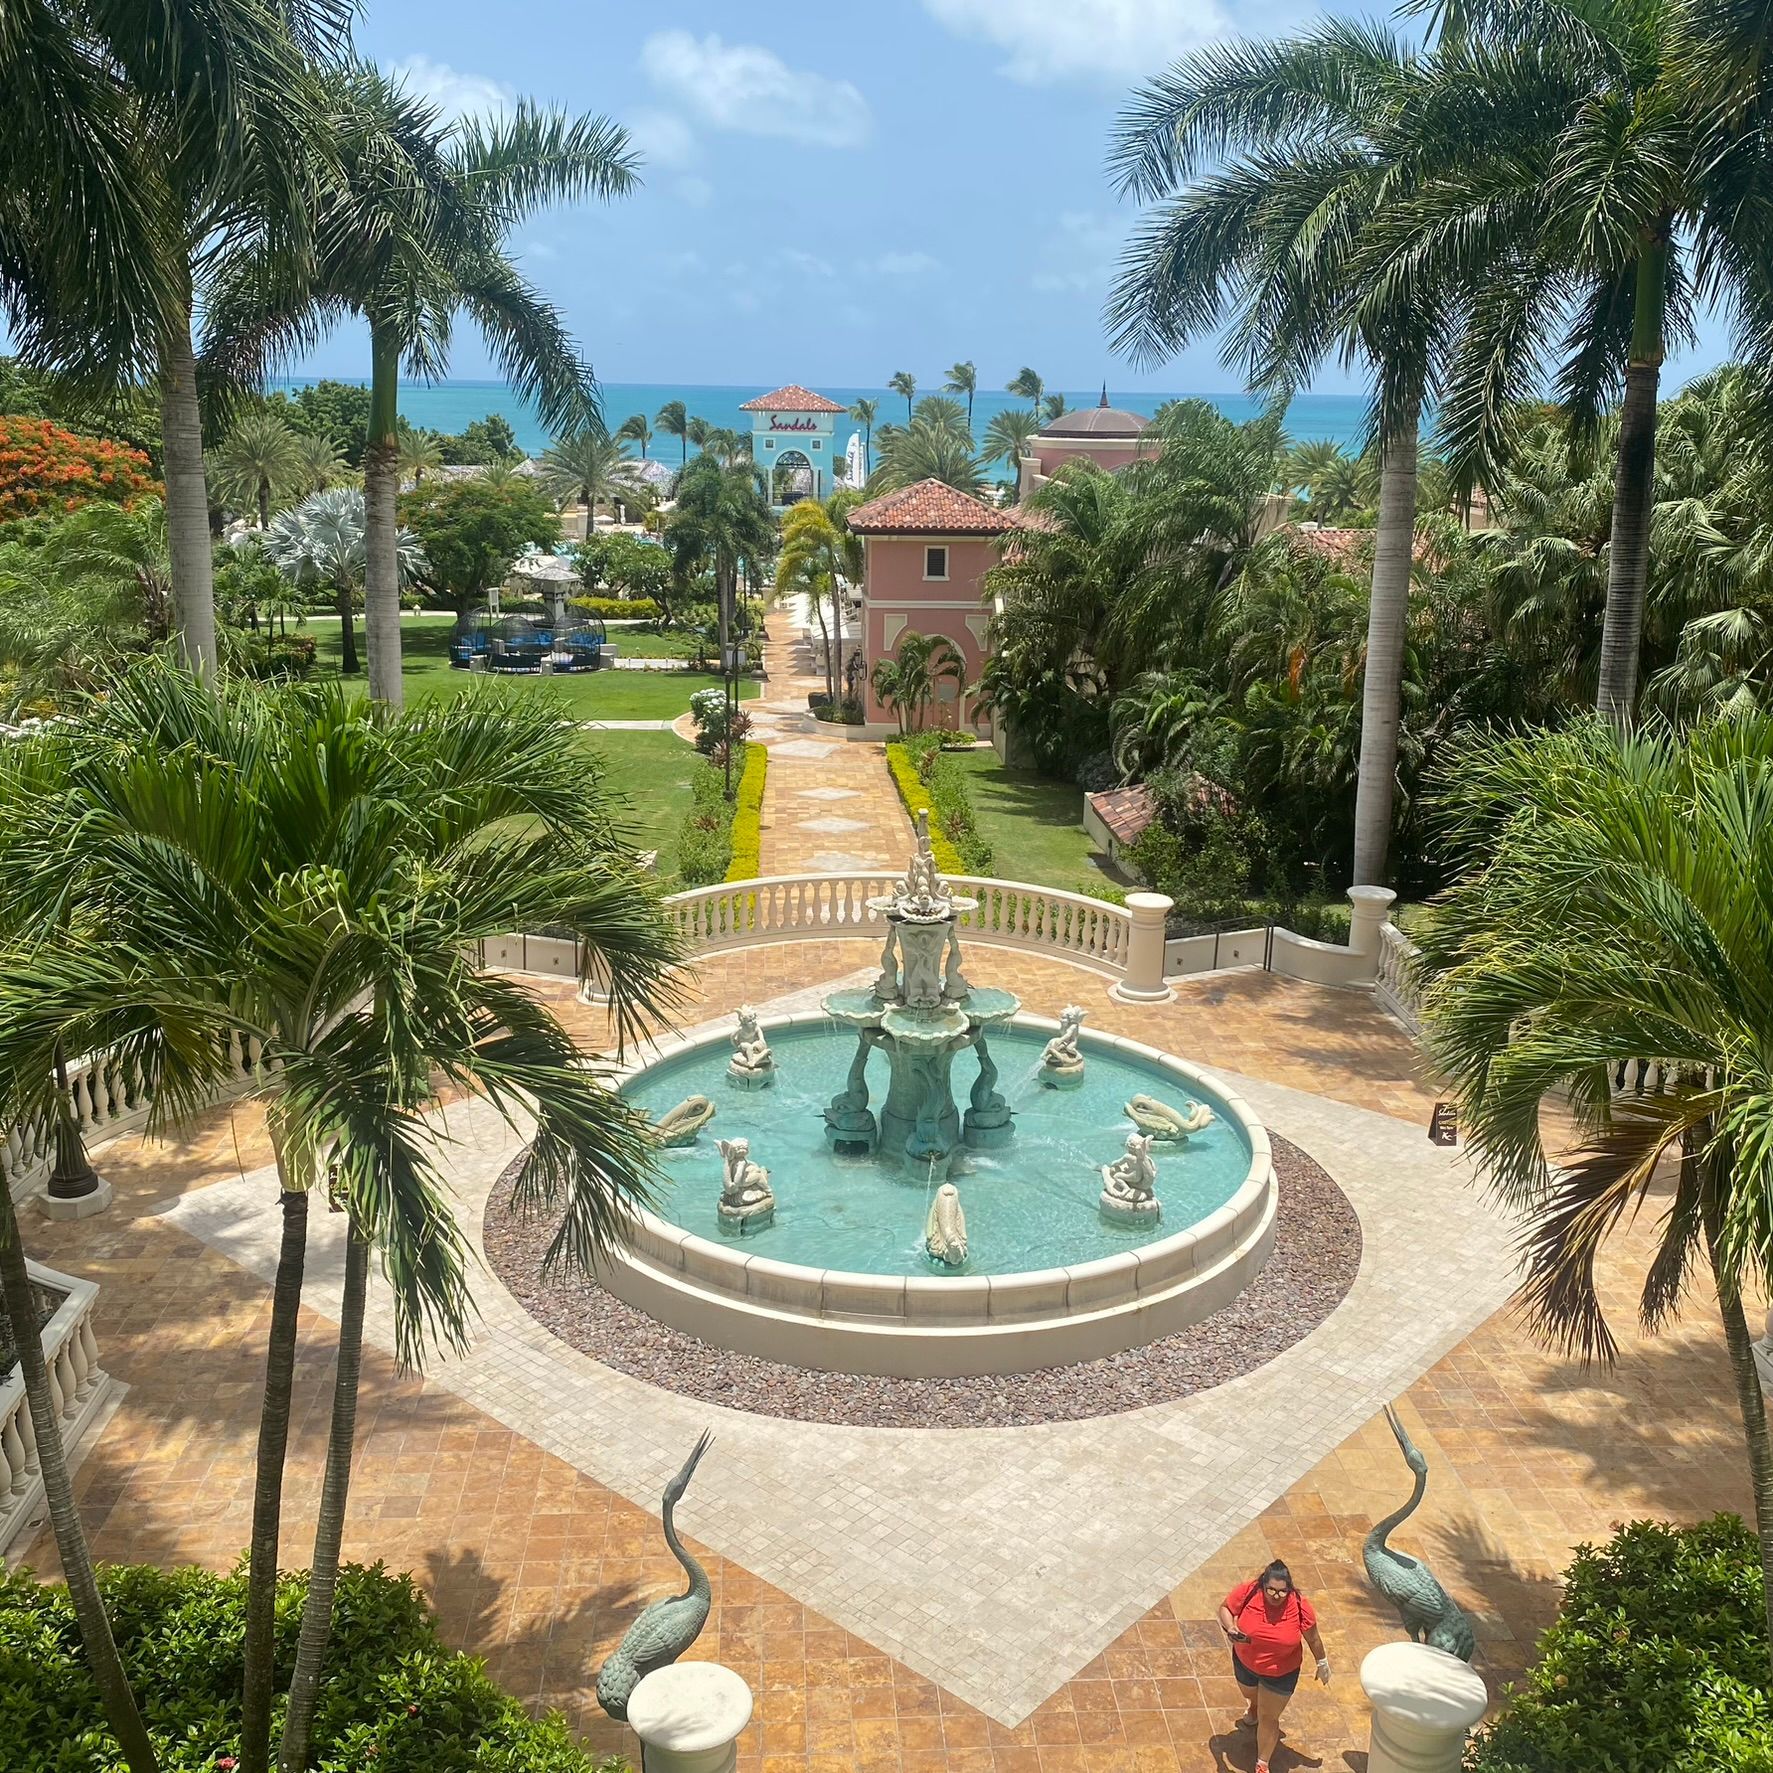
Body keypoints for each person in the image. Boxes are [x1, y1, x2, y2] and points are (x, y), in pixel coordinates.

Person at [1218, 1559, 1330, 1773]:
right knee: (1250, 1694)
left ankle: (1262, 1762)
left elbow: (1313, 1638)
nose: (1276, 1595)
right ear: (1263, 1585)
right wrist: (1231, 1627)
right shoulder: (1248, 1591)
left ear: (1289, 1589)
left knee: (1268, 1718)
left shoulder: (1300, 1605)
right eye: (1271, 1589)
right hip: (1245, 1662)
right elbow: (1225, 1608)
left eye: (1282, 1591)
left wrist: (1322, 1662)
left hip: (1282, 1673)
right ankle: (1254, 1705)